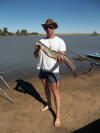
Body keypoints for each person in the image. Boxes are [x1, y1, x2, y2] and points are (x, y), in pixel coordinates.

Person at [34, 18, 66, 127]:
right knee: (45, 89)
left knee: (55, 92)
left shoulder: (60, 41)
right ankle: (49, 105)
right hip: (43, 69)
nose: (48, 29)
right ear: (44, 28)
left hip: (53, 71)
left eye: (50, 27)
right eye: (46, 27)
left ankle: (57, 116)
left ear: (54, 28)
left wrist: (60, 59)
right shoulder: (40, 41)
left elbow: (62, 55)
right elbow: (35, 55)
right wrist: (38, 49)